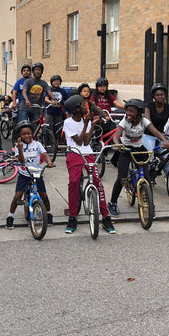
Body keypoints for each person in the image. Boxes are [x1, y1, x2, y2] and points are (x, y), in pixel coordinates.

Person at [62, 95, 116, 234]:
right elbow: (79, 142)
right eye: (83, 104)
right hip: (74, 154)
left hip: (88, 153)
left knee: (97, 183)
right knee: (74, 182)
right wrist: (87, 124)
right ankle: (73, 218)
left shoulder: (87, 120)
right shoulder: (68, 122)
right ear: (77, 109)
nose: (86, 106)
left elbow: (86, 142)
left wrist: (91, 125)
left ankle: (105, 217)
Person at [108, 99, 169, 217]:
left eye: (132, 111)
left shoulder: (144, 121)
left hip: (140, 149)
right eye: (127, 111)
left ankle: (150, 205)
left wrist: (164, 140)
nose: (129, 113)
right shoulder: (124, 121)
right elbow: (116, 136)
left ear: (139, 112)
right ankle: (113, 203)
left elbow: (155, 131)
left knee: (146, 178)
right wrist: (118, 145)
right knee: (122, 177)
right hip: (125, 150)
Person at [6, 121, 55, 230]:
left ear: (32, 133)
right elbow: (22, 161)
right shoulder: (19, 146)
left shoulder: (37, 144)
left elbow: (45, 154)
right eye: (23, 134)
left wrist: (49, 162)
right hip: (24, 174)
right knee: (17, 196)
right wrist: (19, 148)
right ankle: (10, 216)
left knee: (44, 196)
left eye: (29, 133)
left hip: (36, 173)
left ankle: (48, 213)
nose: (26, 136)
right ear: (20, 135)